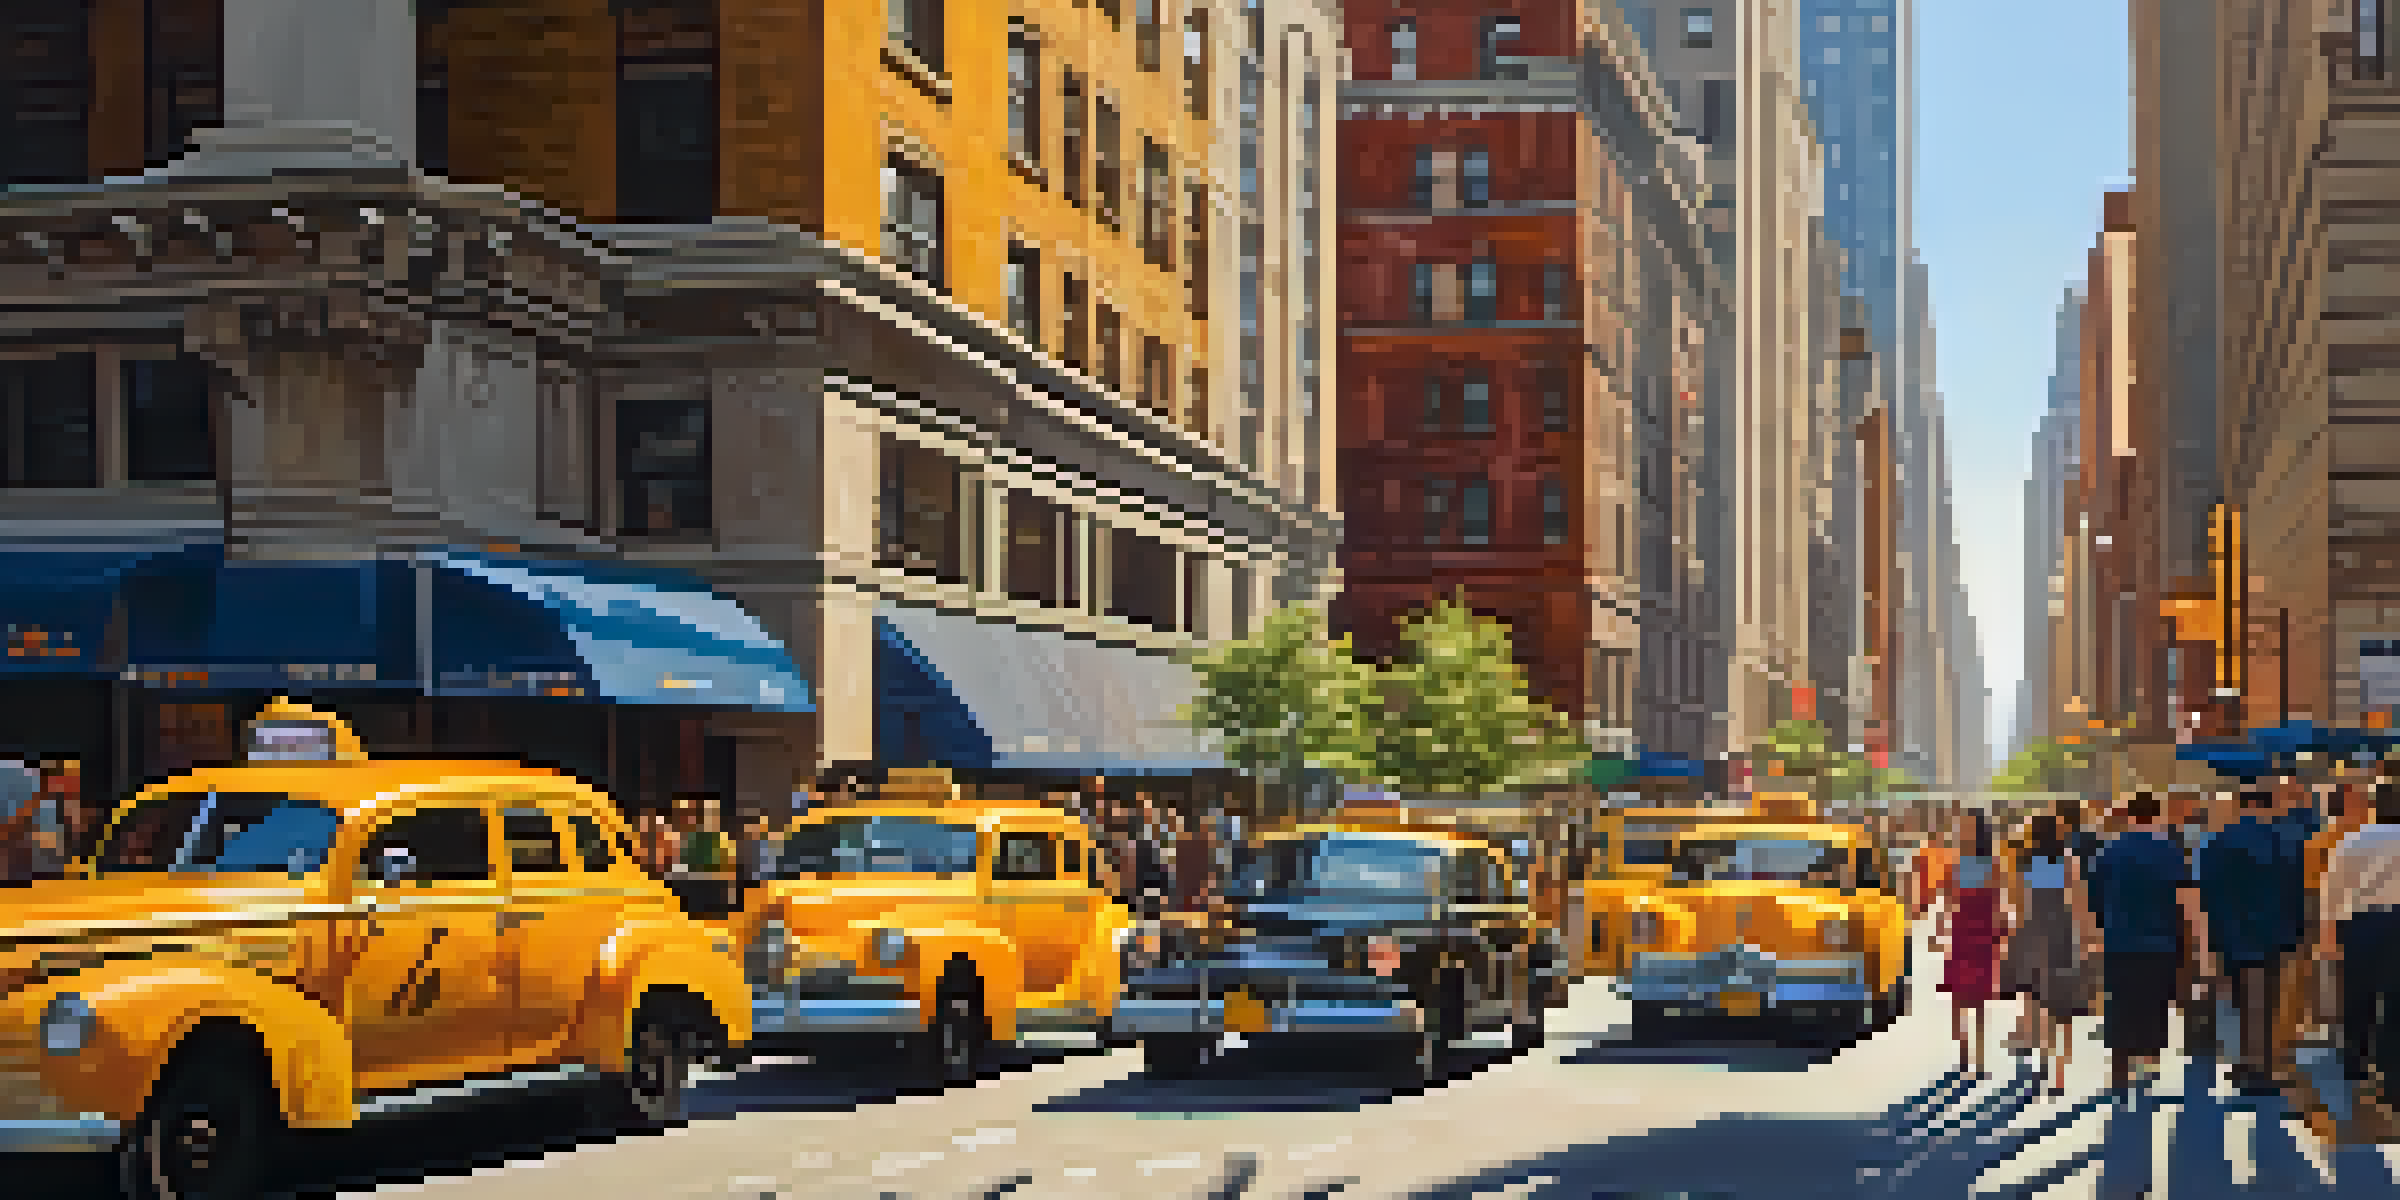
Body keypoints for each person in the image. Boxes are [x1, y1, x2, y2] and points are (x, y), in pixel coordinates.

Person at [2087, 790, 2211, 1099]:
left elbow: (2094, 902)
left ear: (2129, 816)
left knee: (2120, 1001)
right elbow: (2188, 901)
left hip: (2118, 942)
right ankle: (2149, 1062)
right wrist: (2201, 947)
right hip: (2161, 942)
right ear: (2157, 816)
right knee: (2155, 1002)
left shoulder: (2108, 852)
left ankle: (2119, 1067)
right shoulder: (2172, 852)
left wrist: (2093, 938)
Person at [2199, 786, 2290, 1094]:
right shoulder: (2282, 841)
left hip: (2231, 933)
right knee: (2264, 1003)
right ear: (2267, 804)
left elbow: (2207, 892)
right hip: (2269, 934)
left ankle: (2244, 1064)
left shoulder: (2218, 841)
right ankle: (2258, 1069)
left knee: (2239, 1001)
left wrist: (2212, 936)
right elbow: (2293, 889)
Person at [1999, 812, 2098, 1095]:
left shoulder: (2023, 863)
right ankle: (2060, 1076)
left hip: (2032, 933)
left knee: (2038, 1004)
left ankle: (2041, 1060)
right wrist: (2090, 936)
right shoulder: (2069, 862)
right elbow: (2080, 903)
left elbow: (2016, 903)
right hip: (2062, 935)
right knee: (2062, 1007)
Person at [2319, 781, 2400, 1101]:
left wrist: (2329, 939)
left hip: (2359, 924)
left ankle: (2355, 1063)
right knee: (2395, 1000)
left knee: (2357, 995)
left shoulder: (2352, 842)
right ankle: (2391, 1072)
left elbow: (2333, 894)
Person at [1935, 809, 2007, 1075]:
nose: (1960, 832)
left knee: (1978, 999)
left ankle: (1977, 1057)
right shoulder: (1956, 864)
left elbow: (1998, 902)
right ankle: (1964, 1052)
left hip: (1982, 934)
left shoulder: (1991, 864)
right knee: (1958, 995)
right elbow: (1947, 903)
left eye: (1965, 827)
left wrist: (2002, 929)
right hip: (1963, 933)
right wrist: (1941, 929)